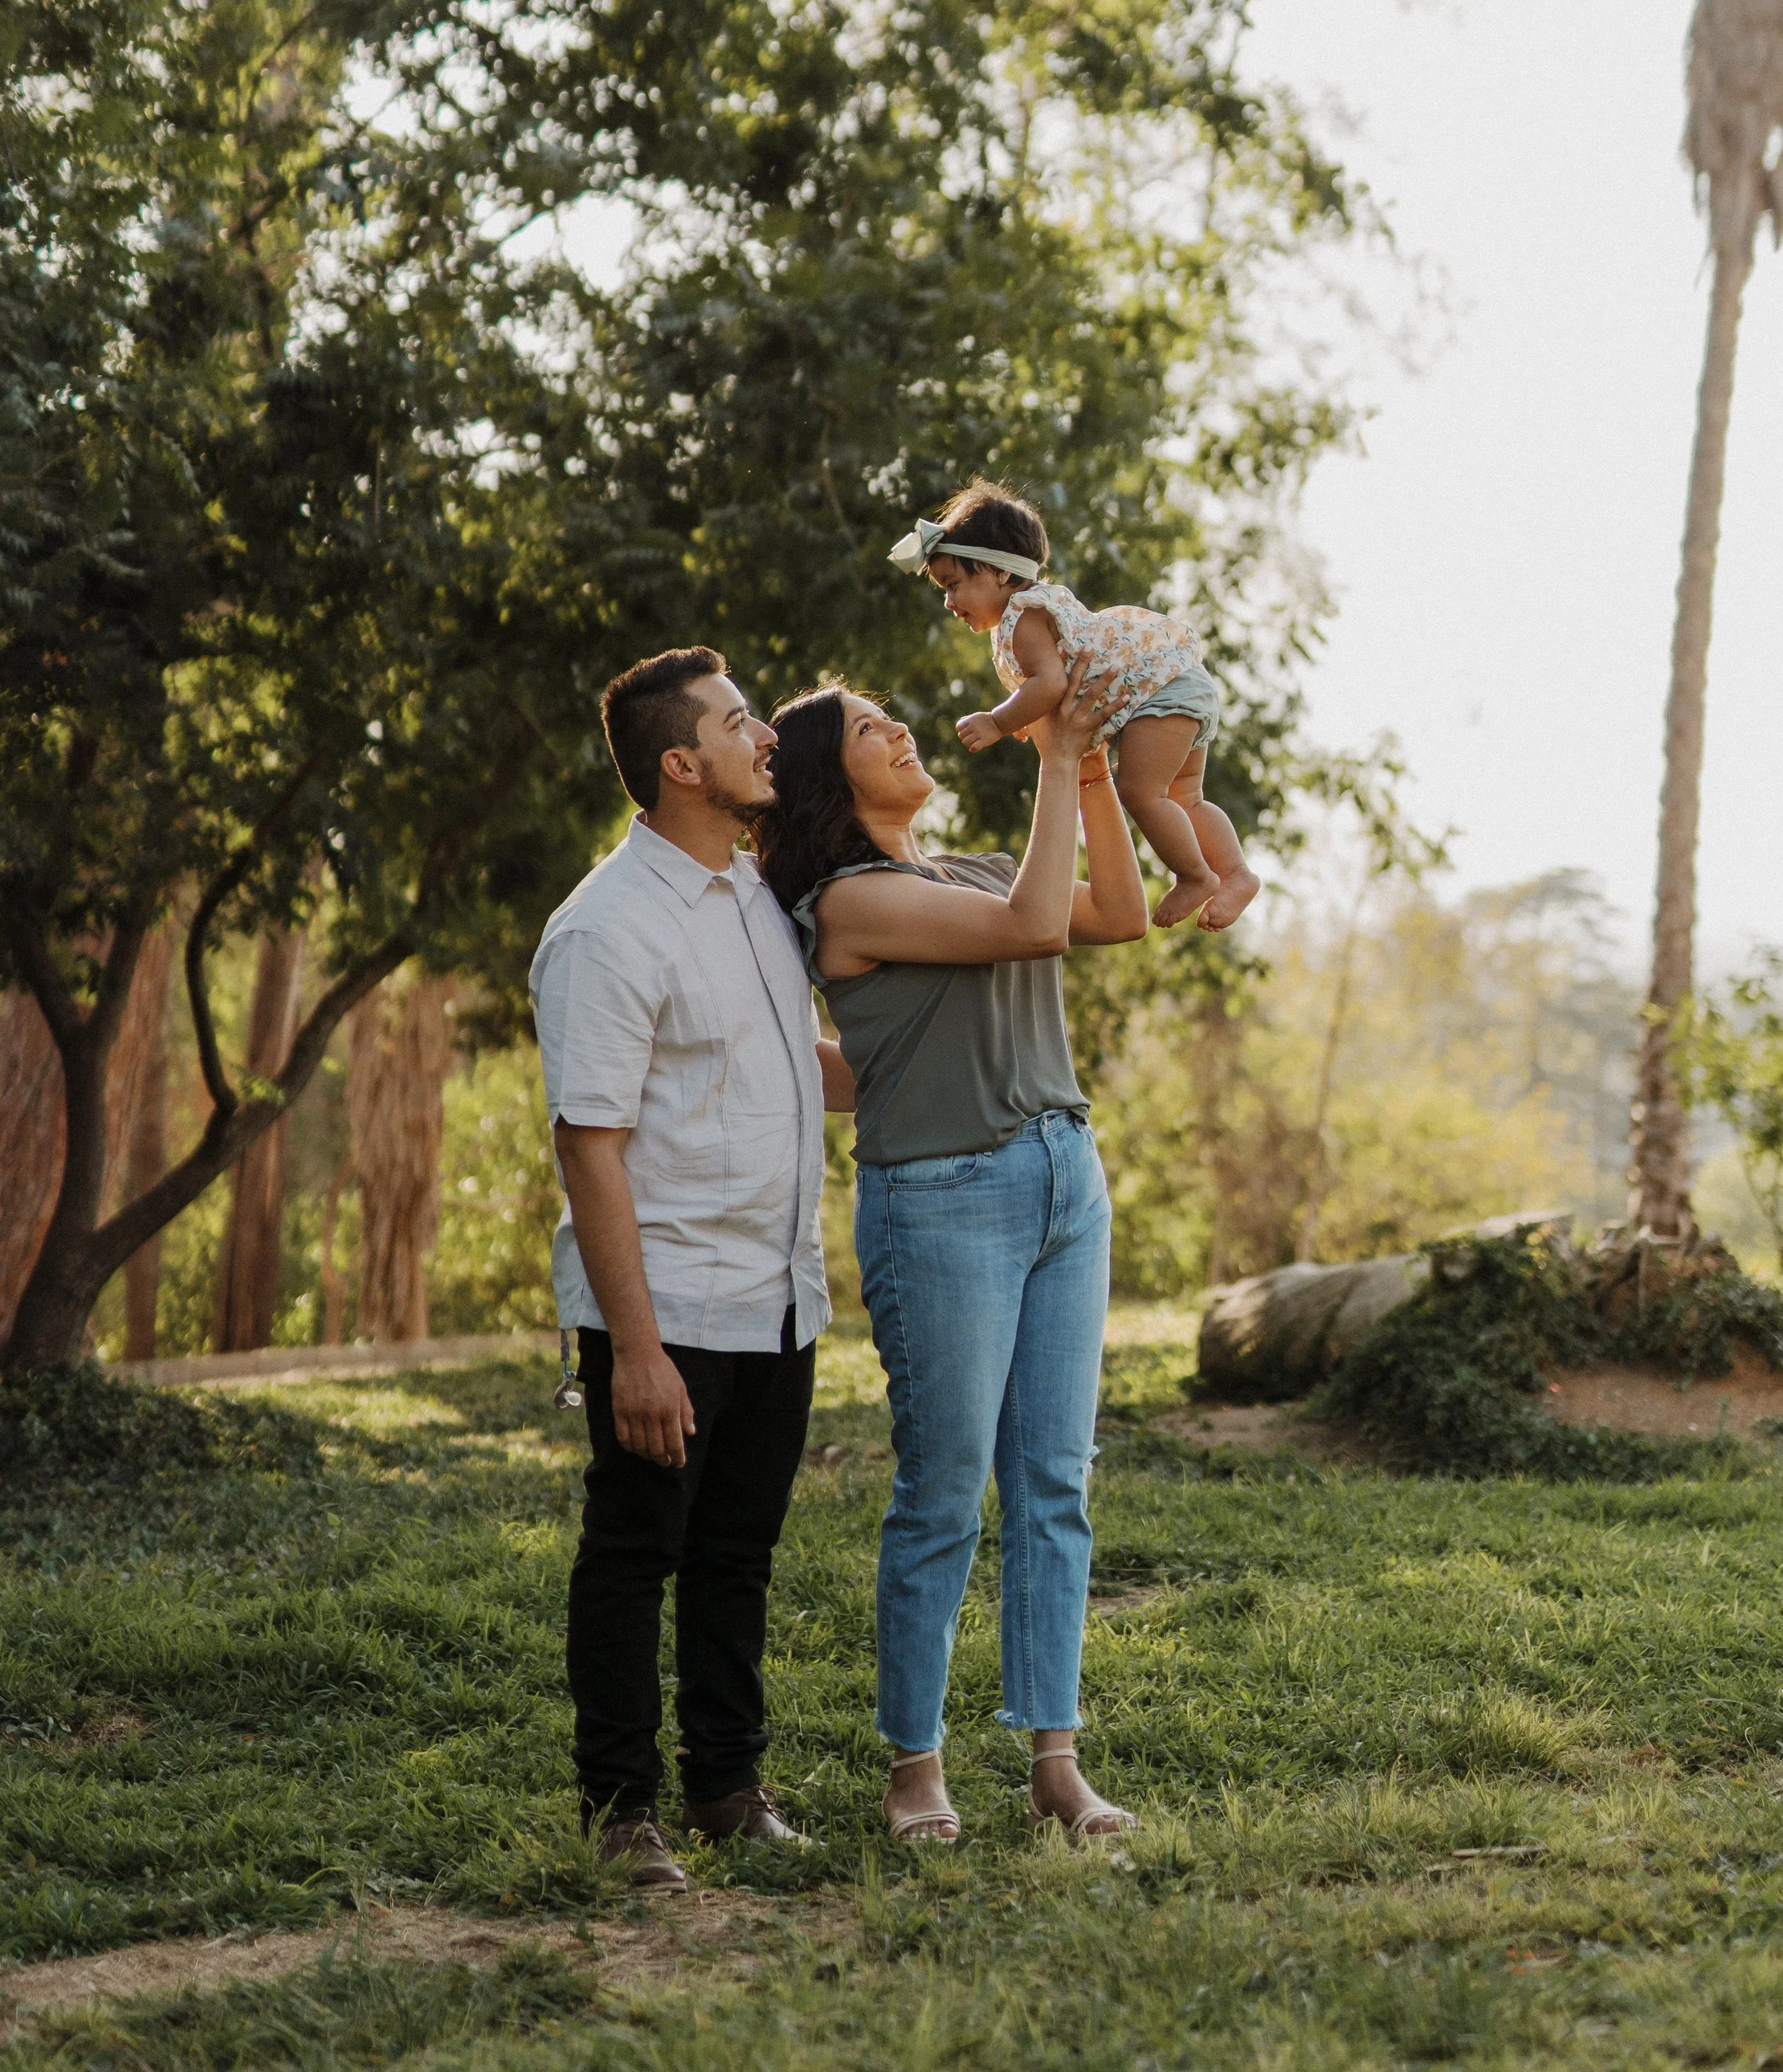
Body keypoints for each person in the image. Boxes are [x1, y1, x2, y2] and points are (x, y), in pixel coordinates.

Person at [752, 651, 1147, 1846]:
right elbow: (1037, 925)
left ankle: (1055, 1760)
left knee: (1054, 1486)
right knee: (942, 1495)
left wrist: (1095, 781)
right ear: (833, 774)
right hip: (943, 1201)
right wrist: (1058, 751)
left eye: (892, 716)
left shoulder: (970, 870)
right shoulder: (849, 903)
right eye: (873, 728)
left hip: (1064, 1177)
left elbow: (1114, 915)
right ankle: (914, 1768)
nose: (902, 730)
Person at [531, 645, 852, 1891]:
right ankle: (622, 1811)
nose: (764, 732)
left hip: (781, 1298)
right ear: (682, 763)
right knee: (634, 1552)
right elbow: (589, 1143)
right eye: (737, 720)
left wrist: (940, 1062)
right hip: (665, 1302)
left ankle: (727, 1786)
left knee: (737, 1554)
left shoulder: (759, 903)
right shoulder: (605, 929)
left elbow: (798, 1063)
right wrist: (640, 1348)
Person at [890, 482, 1259, 932]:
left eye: (954, 585)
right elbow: (1046, 692)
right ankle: (1237, 874)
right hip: (1178, 684)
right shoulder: (1026, 617)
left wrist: (999, 722)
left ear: (1001, 574)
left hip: (1158, 694)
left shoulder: (1023, 618)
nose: (949, 602)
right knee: (1186, 799)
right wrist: (1029, 717)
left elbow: (1049, 684)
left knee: (1141, 794)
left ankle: (1196, 875)